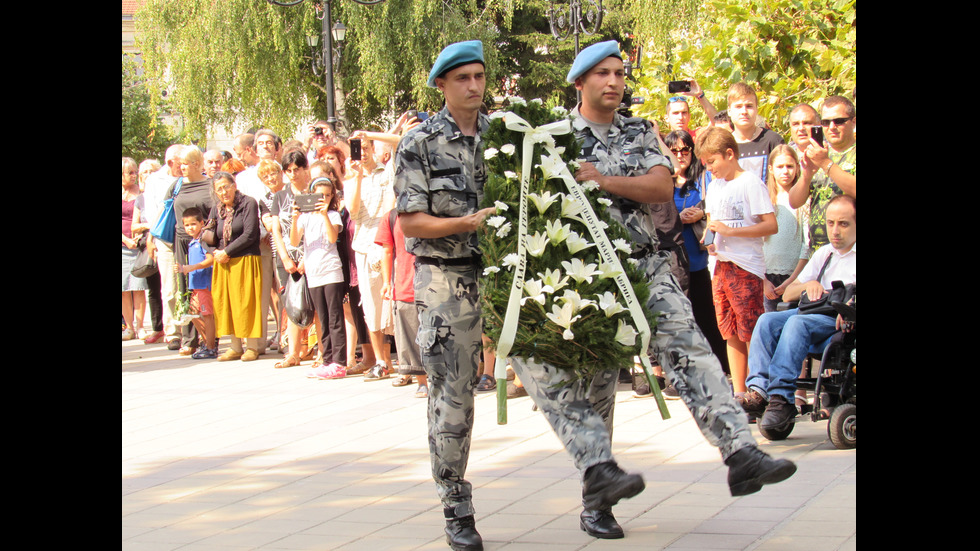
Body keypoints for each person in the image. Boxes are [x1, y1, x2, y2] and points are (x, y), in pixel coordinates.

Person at [564, 42, 792, 539]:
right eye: (602, 73)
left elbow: (661, 188)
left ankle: (739, 452)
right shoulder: (557, 138)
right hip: (590, 280)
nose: (614, 82)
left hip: (647, 267)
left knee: (692, 351)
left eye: (620, 73)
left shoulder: (639, 130)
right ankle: (597, 496)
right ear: (579, 82)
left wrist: (603, 180)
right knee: (600, 385)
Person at [394, 40, 497, 551]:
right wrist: (464, 222)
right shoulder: (419, 143)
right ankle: (456, 506)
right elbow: (411, 220)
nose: (474, 86)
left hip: (505, 276)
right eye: (463, 79)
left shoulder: (503, 135)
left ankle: (598, 487)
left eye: (479, 76)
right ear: (442, 85)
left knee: (561, 373)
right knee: (453, 395)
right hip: (446, 279)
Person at [738, 194, 856, 431]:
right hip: (812, 313)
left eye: (843, 224)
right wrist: (808, 285)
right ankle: (760, 391)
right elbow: (789, 294)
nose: (835, 231)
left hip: (837, 321)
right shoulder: (825, 254)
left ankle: (781, 398)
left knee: (796, 324)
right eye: (830, 223)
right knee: (767, 320)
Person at [697, 126, 777, 395]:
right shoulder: (715, 184)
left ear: (729, 154)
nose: (710, 169)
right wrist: (709, 238)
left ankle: (759, 389)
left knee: (750, 330)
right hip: (720, 265)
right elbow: (712, 221)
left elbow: (770, 225)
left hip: (745, 265)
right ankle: (740, 393)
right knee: (729, 330)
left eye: (712, 162)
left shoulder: (750, 183)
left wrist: (732, 232)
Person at [662, 130, 730, 378]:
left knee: (706, 318)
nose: (680, 155)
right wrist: (677, 219)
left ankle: (718, 369)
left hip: (699, 260)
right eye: (674, 151)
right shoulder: (661, 182)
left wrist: (701, 215)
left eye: (685, 150)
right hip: (672, 263)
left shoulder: (702, 181)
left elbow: (715, 214)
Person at [347, 131, 398, 381]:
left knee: (392, 304)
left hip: (388, 243)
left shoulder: (386, 172)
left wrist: (373, 133)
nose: (363, 152)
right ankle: (380, 361)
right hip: (364, 246)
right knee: (371, 305)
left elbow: (398, 141)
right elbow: (353, 210)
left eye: (366, 147)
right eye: (358, 147)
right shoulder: (351, 178)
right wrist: (356, 176)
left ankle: (399, 360)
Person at [291, 177, 348, 378]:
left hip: (331, 271)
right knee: (322, 319)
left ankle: (339, 362)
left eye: (327, 195)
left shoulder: (333, 215)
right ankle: (327, 359)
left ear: (332, 196)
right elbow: (294, 240)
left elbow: (333, 238)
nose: (323, 198)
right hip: (313, 273)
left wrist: (324, 214)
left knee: (335, 317)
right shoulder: (305, 218)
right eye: (319, 195)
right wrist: (295, 218)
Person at [207, 171, 264, 362]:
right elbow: (207, 233)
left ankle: (252, 347)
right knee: (228, 303)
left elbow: (250, 234)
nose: (223, 192)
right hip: (223, 261)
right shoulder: (217, 208)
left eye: (226, 186)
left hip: (245, 258)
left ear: (234, 185)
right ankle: (235, 346)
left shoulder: (248, 203)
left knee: (246, 303)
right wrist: (214, 251)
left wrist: (227, 251)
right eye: (219, 189)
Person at [789, 95, 856, 254]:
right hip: (820, 251)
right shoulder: (818, 153)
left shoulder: (824, 157)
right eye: (826, 122)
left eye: (839, 121)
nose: (832, 127)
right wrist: (806, 175)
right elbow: (794, 201)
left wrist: (826, 164)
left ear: (853, 122)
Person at [376, 207, 428, 398]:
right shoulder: (391, 217)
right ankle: (422, 382)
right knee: (410, 338)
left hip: (433, 284)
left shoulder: (431, 210)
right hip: (405, 285)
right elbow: (387, 251)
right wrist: (386, 282)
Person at [271, 150, 316, 368]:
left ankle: (321, 352)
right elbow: (276, 231)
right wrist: (285, 258)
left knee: (315, 304)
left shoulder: (313, 192)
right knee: (292, 305)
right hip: (288, 258)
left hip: (312, 255)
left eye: (296, 170)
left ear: (304, 168)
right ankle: (293, 353)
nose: (292, 174)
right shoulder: (280, 196)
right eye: (288, 171)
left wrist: (307, 258)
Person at [172, 146, 216, 356]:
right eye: (178, 164)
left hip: (202, 241)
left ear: (196, 164)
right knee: (185, 290)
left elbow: (214, 213)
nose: (180, 168)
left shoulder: (209, 185)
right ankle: (189, 338)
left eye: (184, 163)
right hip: (181, 240)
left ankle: (210, 339)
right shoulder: (177, 185)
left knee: (204, 292)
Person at [141, 144, 185, 349]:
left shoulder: (191, 175)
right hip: (166, 238)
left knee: (190, 283)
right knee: (169, 287)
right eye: (181, 162)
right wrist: (152, 237)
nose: (185, 165)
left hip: (188, 237)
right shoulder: (155, 180)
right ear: (170, 163)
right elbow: (151, 211)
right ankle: (173, 331)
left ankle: (192, 328)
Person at [763, 145, 808, 313]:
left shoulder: (804, 200)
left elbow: (807, 244)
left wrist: (792, 281)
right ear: (771, 169)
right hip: (768, 278)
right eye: (780, 166)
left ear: (797, 167)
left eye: (790, 166)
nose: (785, 171)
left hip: (795, 276)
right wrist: (763, 281)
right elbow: (756, 244)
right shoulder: (765, 199)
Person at [177, 207, 217, 359]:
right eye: (186, 225)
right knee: (193, 314)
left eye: (193, 224)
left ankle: (211, 347)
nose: (190, 228)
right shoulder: (192, 242)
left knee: (207, 315)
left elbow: (210, 259)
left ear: (202, 223)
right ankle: (206, 342)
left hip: (204, 284)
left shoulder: (203, 240)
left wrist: (191, 267)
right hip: (195, 285)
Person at [133, 159, 165, 344]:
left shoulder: (164, 193)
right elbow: (134, 226)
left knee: (170, 286)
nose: (147, 175)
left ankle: (174, 329)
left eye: (151, 171)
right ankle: (157, 328)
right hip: (149, 246)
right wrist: (150, 225)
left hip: (165, 242)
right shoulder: (140, 198)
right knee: (154, 289)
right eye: (143, 172)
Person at [726, 82, 784, 183]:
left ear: (756, 109)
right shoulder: (724, 144)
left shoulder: (773, 140)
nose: (744, 111)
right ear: (729, 111)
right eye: (738, 106)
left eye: (749, 106)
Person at [122, 157, 148, 341]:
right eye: (129, 172)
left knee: (138, 287)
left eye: (134, 172)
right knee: (124, 289)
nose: (133, 176)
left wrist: (137, 238)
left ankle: (140, 327)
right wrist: (124, 239)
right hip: (123, 245)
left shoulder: (141, 193)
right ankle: (128, 327)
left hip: (138, 245)